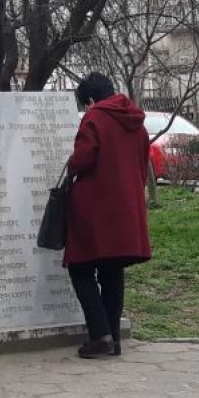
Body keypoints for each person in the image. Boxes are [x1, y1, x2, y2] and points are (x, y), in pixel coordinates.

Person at [65, 72, 152, 359]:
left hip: (95, 207)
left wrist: (70, 164)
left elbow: (82, 160)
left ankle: (100, 334)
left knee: (80, 268)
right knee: (112, 271)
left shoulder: (95, 118)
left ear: (90, 99)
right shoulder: (137, 122)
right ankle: (113, 339)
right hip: (126, 207)